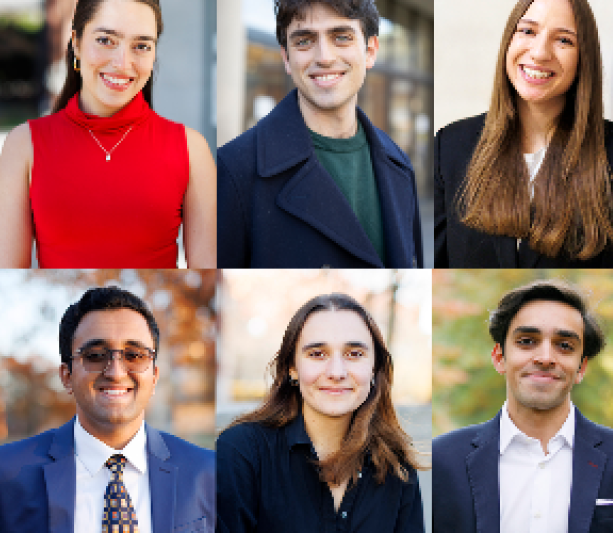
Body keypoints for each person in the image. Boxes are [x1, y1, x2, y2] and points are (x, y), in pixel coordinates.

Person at [0, 0, 216, 269]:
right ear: (76, 42)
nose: (122, 63)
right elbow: (8, 270)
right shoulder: (23, 146)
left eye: (141, 46)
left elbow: (207, 273)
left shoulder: (191, 149)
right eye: (105, 40)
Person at [217, 0, 423, 268]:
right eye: (304, 41)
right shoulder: (235, 168)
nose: (324, 57)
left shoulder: (400, 164)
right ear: (286, 58)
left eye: (341, 37)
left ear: (370, 51)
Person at [0, 287, 215, 532]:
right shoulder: (7, 472)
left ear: (154, 377)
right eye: (95, 355)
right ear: (67, 376)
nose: (115, 372)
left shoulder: (209, 473)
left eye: (134, 355)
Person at [217, 293, 425, 532]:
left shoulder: (396, 466)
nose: (336, 372)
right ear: (292, 368)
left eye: (354, 354)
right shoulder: (241, 453)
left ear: (374, 367)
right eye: (317, 354)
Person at [434, 0, 613, 267]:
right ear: (509, 40)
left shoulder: (608, 152)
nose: (540, 53)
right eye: (528, 31)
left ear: (583, 56)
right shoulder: (451, 145)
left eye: (564, 40)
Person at [433, 280, 613, 533]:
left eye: (564, 345)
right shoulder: (441, 460)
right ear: (499, 358)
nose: (545, 358)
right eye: (527, 341)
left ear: (581, 367)